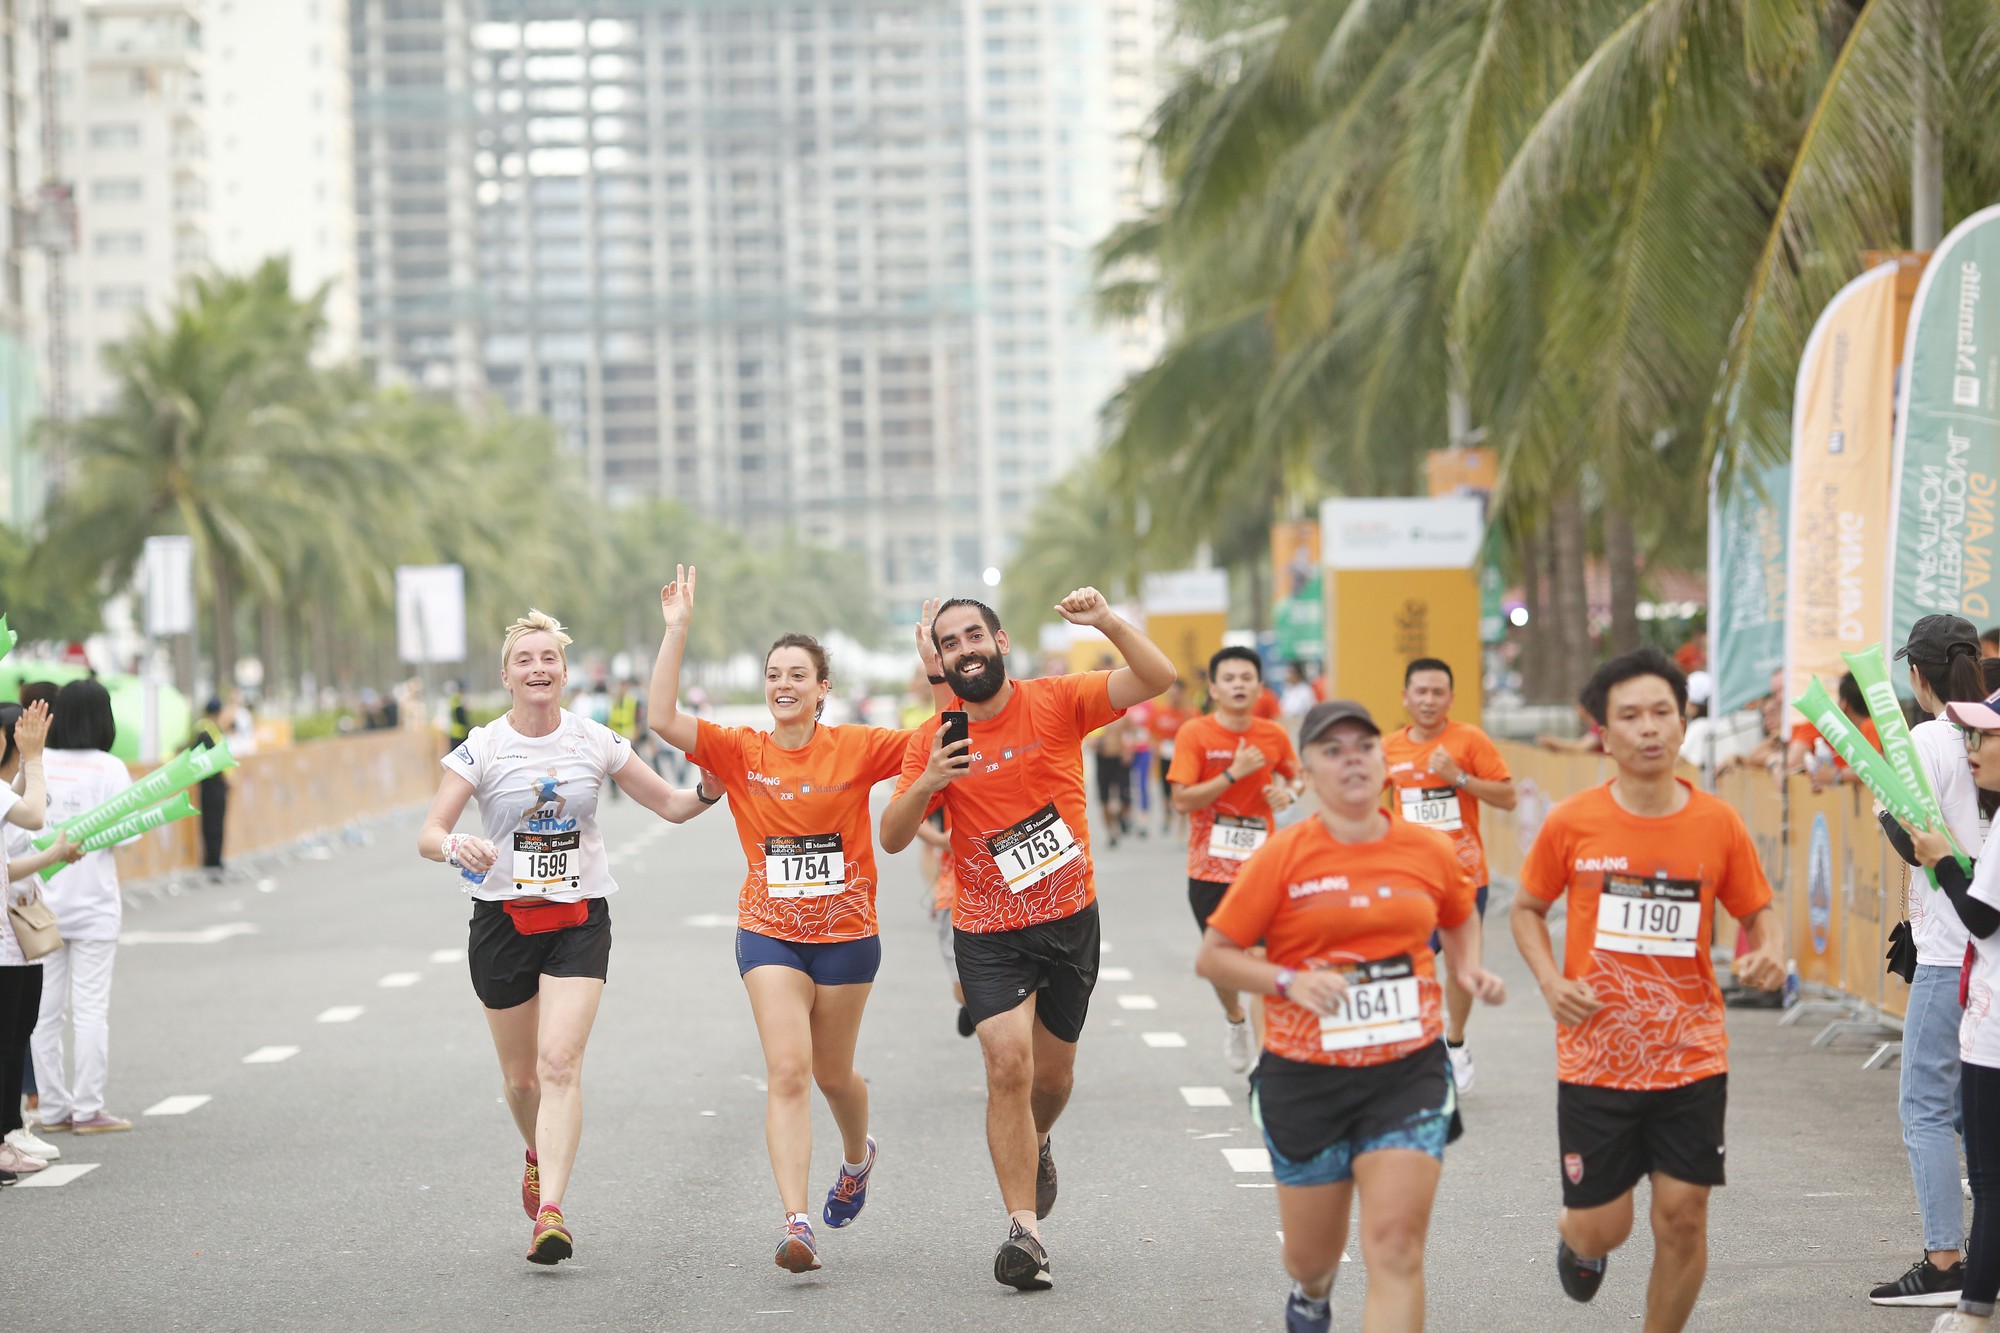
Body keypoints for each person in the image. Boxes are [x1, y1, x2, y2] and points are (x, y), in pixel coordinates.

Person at [648, 572, 949, 1274]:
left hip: (847, 936)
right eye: (774, 673)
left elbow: (936, 735)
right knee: (787, 1071)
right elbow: (662, 717)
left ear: (822, 689)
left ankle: (856, 1157)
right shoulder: (738, 749)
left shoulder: (856, 746)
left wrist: (935, 672)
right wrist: (677, 629)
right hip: (769, 933)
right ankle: (797, 1220)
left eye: (798, 675)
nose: (784, 683)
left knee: (833, 1073)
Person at [880, 589, 1175, 1290]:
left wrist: (1105, 620)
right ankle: (1024, 1230)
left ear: (1000, 640)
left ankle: (1039, 1137)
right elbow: (892, 837)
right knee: (1007, 1065)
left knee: (1053, 1078)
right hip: (987, 930)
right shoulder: (935, 738)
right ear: (941, 660)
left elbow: (1158, 677)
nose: (964, 649)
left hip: (1069, 918)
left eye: (973, 635)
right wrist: (928, 781)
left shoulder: (1057, 701)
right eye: (949, 643)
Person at [417, 609, 720, 1266]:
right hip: (501, 921)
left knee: (559, 1064)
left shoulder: (595, 741)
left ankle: (550, 1209)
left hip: (579, 920)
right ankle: (535, 1151)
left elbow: (668, 803)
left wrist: (710, 787)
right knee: (523, 1080)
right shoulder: (483, 747)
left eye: (548, 658)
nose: (538, 669)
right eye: (525, 660)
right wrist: (454, 846)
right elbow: (429, 831)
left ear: (563, 670)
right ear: (506, 675)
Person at [1195, 698, 1505, 1333]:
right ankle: (1313, 1293)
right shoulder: (1283, 857)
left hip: (1407, 1071)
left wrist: (1467, 967)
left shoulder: (1425, 849)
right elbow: (1215, 958)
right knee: (1310, 1256)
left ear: (1383, 761)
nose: (1352, 759)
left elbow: (1460, 911)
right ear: (1305, 772)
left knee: (1395, 1246)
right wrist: (1288, 980)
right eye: (1332, 751)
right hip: (1305, 1076)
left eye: (1363, 746)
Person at [1513, 648, 1786, 1330]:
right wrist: (1550, 981)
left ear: (1685, 720)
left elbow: (1758, 909)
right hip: (1595, 1056)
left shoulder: (1716, 822)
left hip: (1689, 1051)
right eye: (1629, 715)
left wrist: (1772, 950)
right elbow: (1524, 908)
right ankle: (1581, 1232)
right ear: (1603, 732)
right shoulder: (1572, 821)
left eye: (1662, 711)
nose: (1648, 728)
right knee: (1604, 1227)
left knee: (1684, 1218)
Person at [1869, 613, 1989, 1307]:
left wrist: (1886, 801)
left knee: (1924, 1105)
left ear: (1916, 676)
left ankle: (1945, 1258)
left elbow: (1915, 841)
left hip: (1951, 948)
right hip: (1985, 943)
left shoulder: (1926, 737)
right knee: (1976, 1111)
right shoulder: (1987, 733)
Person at [1904, 682, 2000, 1333]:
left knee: (1988, 1177)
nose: (1971, 749)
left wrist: (1941, 860)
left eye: (1984, 736)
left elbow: (1981, 917)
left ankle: (1969, 1302)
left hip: (1992, 1027)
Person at [1382, 657, 1515, 1092]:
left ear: (1451, 698)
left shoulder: (1469, 740)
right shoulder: (1388, 748)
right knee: (1404, 967)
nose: (1428, 700)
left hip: (1464, 878)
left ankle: (1454, 1043)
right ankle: (1411, 1052)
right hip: (1409, 883)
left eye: (1438, 692)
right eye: (1420, 691)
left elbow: (1508, 796)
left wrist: (1456, 777)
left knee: (1460, 971)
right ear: (1404, 696)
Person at [1167, 645, 1301, 1073]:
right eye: (1230, 678)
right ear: (1214, 687)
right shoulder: (1195, 734)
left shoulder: (1273, 735)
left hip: (1263, 868)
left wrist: (1290, 793)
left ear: (1260, 686)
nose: (1239, 685)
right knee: (1224, 966)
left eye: (1247, 678)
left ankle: (1266, 1064)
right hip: (1209, 869)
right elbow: (1182, 800)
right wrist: (1232, 773)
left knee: (1261, 962)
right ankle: (1235, 1019)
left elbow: (1299, 777)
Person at [31, 678, 142, 1137]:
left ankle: (53, 1109)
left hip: (41, 906)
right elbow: (130, 834)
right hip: (94, 905)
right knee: (91, 1009)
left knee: (44, 1013)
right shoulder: (109, 768)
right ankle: (88, 1109)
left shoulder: (40, 763)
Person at [0, 702, 81, 1180]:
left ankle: (10, 1130)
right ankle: (7, 1132)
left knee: (16, 1034)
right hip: (4, 938)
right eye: (24, 734)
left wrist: (30, 760)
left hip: (15, 932)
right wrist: (35, 759)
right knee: (6, 1042)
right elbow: (31, 817)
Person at [192, 698, 231, 876]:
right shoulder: (208, 732)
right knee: (213, 823)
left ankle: (214, 859)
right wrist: (226, 778)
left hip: (208, 785)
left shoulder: (204, 728)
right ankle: (213, 860)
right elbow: (215, 760)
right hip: (213, 785)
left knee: (212, 823)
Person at [1150, 680, 1192, 836]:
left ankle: (1181, 827)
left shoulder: (1189, 713)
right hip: (1165, 756)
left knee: (1181, 792)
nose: (1173, 697)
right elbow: (1152, 733)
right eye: (1171, 694)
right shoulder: (1160, 712)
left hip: (1183, 758)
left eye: (1176, 694)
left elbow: (1194, 733)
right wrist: (1156, 747)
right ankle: (1167, 815)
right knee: (1165, 791)